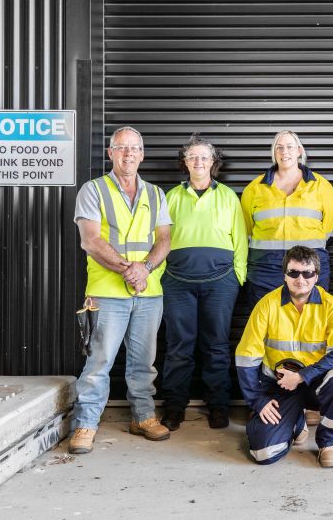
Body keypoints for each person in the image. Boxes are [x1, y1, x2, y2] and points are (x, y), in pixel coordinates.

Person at [69, 126, 172, 454]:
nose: (128, 154)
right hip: (107, 291)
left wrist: (145, 270)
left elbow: (164, 239)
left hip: (148, 291)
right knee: (99, 360)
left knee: (144, 361)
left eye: (134, 148)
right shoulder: (93, 190)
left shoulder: (156, 194)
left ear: (142, 154)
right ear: (111, 153)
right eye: (121, 148)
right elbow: (90, 240)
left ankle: (143, 416)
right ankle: (86, 422)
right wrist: (129, 271)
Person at [159, 134, 248, 431]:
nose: (198, 161)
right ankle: (173, 407)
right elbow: (159, 240)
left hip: (221, 282)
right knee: (177, 347)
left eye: (204, 157)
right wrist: (159, 276)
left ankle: (218, 407)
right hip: (176, 283)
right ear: (184, 163)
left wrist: (238, 276)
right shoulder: (170, 197)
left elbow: (240, 240)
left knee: (217, 346)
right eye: (192, 157)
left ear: (213, 163)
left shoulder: (228, 196)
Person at [234, 246, 333, 467]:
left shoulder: (331, 306)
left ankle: (329, 442)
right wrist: (257, 401)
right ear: (284, 275)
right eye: (294, 272)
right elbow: (245, 357)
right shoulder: (266, 305)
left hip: (316, 385)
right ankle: (295, 422)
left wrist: (302, 376)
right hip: (280, 388)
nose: (301, 279)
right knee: (263, 453)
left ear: (316, 276)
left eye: (307, 273)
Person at [240, 130, 333, 312]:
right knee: (264, 319)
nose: (284, 151)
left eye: (289, 147)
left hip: (309, 265)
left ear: (299, 151)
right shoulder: (254, 189)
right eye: (279, 147)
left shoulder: (321, 186)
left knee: (311, 319)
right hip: (265, 267)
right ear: (274, 153)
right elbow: (246, 229)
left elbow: (331, 228)